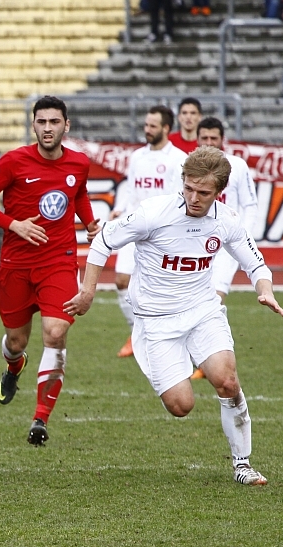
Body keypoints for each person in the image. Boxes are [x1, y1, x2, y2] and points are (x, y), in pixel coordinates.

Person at [65, 146, 283, 486]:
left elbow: (255, 262)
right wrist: (87, 292)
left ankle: (243, 464)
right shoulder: (154, 212)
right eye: (188, 188)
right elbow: (103, 242)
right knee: (181, 406)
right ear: (182, 181)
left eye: (203, 192)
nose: (194, 198)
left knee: (227, 381)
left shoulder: (226, 220)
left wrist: (266, 290)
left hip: (202, 312)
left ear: (218, 192)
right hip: (156, 322)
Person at [0, 96, 101, 445]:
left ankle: (40, 418)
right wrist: (12, 224)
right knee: (16, 341)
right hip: (16, 265)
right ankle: (13, 365)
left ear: (66, 125)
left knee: (55, 333)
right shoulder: (12, 162)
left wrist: (90, 221)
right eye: (41, 122)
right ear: (33, 125)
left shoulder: (79, 163)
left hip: (59, 262)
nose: (48, 128)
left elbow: (77, 193)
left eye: (54, 122)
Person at [109, 105, 187, 358]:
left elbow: (179, 197)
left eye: (152, 126)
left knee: (159, 288)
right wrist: (119, 209)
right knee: (122, 281)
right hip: (134, 226)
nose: (147, 130)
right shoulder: (137, 157)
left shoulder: (178, 159)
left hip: (161, 232)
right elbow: (130, 190)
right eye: (145, 125)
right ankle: (136, 335)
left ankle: (166, 337)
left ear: (166, 128)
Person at [188, 116, 261, 381]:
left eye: (213, 138)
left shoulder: (237, 167)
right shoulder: (189, 167)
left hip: (224, 247)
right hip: (194, 247)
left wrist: (243, 237)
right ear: (197, 140)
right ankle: (200, 355)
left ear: (222, 140)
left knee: (214, 298)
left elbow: (250, 206)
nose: (209, 143)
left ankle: (208, 359)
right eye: (204, 138)